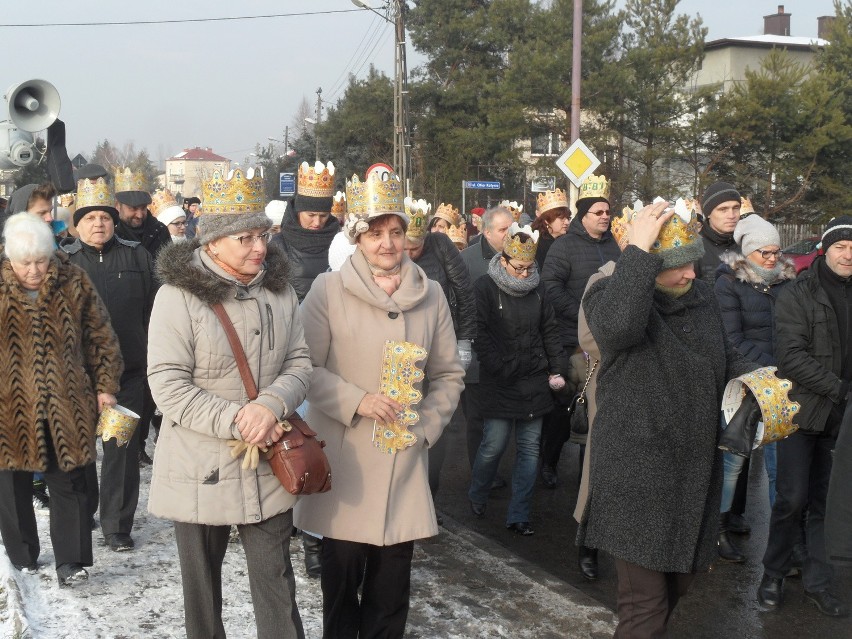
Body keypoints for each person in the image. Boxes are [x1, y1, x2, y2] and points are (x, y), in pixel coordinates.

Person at [294, 170, 464, 639]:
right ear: (357, 238)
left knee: (391, 593)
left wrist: (425, 427)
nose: (387, 244)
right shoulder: (327, 291)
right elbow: (303, 368)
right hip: (347, 464)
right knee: (342, 586)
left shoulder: (430, 295)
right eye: (375, 234)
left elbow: (449, 374)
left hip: (404, 460)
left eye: (395, 232)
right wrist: (358, 400)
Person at [579, 199, 757, 637]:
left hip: (691, 470)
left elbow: (723, 351)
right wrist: (636, 253)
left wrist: (759, 383)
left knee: (680, 581)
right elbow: (619, 330)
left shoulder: (699, 296)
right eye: (677, 266)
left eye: (694, 263)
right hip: (636, 473)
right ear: (647, 265)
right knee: (645, 607)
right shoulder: (607, 294)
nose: (691, 274)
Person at [147, 167, 311, 639]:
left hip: (268, 461)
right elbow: (169, 386)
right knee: (202, 593)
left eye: (262, 234)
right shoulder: (177, 297)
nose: (260, 247)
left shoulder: (280, 291)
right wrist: (241, 419)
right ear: (212, 243)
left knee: (277, 583)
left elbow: (300, 363)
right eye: (245, 238)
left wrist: (272, 405)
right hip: (201, 466)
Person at [0, 213, 122, 586]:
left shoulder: (73, 281)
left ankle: (71, 562)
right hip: (8, 402)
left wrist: (106, 385)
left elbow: (100, 336)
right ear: (10, 259)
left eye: (41, 260)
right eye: (25, 263)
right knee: (11, 483)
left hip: (65, 399)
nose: (34, 270)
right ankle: (22, 554)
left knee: (69, 480)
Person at [757, 216, 852, 618]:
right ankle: (773, 573)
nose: (849, 254)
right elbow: (791, 356)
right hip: (803, 412)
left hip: (843, 420)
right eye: (841, 246)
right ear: (825, 250)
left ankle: (819, 581)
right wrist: (840, 390)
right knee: (791, 499)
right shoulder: (798, 293)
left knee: (827, 504)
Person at [61, 176, 157, 552]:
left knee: (120, 450)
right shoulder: (63, 262)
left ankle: (117, 526)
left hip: (126, 376)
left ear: (113, 220)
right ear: (77, 223)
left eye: (103, 216)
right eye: (89, 218)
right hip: (76, 379)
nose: (97, 224)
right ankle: (83, 516)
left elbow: (155, 308)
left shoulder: (136, 256)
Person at [468, 223, 567, 536]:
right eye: (519, 268)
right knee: (493, 446)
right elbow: (479, 332)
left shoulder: (539, 290)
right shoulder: (485, 287)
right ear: (504, 260)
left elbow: (549, 330)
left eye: (529, 268)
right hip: (501, 380)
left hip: (534, 380)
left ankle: (519, 513)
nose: (525, 274)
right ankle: (478, 493)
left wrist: (557, 367)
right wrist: (498, 365)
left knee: (529, 450)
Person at [713, 215, 796, 563]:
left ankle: (785, 543)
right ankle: (716, 529)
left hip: (785, 385)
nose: (772, 259)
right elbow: (731, 339)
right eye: (764, 252)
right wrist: (772, 371)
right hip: (747, 384)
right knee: (733, 462)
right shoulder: (728, 283)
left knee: (782, 466)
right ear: (748, 252)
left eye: (776, 251)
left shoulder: (789, 282)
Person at [540, 175, 620, 489]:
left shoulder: (615, 245)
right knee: (565, 409)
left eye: (607, 211)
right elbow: (550, 287)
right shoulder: (564, 246)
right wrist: (585, 315)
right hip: (571, 341)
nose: (605, 216)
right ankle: (549, 462)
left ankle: (589, 474)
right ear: (583, 216)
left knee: (599, 407)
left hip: (606, 341)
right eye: (598, 212)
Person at [403, 196, 476, 507]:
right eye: (404, 248)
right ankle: (402, 493)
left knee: (434, 424)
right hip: (402, 350)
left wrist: (465, 340)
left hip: (439, 344)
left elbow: (464, 291)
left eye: (415, 249)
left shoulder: (442, 246)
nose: (408, 255)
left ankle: (429, 498)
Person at [460, 206, 514, 471]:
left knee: (501, 418)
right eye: (503, 230)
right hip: (475, 353)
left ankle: (493, 469)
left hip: (508, 350)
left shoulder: (519, 255)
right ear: (487, 231)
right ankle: (479, 474)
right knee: (476, 420)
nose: (509, 235)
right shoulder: (466, 260)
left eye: (511, 229)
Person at [270, 160, 341, 302]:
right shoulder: (278, 245)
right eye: (311, 215)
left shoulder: (339, 241)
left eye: (323, 216)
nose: (317, 222)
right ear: (298, 212)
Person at [113, 168, 171, 257]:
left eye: (143, 208)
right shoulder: (110, 234)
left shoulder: (160, 231)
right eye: (133, 208)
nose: (139, 215)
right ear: (117, 205)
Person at [695, 181, 741, 284]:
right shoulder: (694, 247)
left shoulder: (748, 245)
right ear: (708, 213)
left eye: (736, 208)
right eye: (723, 209)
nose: (731, 215)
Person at [530, 201, 569, 269]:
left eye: (568, 218)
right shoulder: (537, 243)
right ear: (547, 220)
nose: (567, 222)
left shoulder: (567, 240)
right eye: (562, 218)